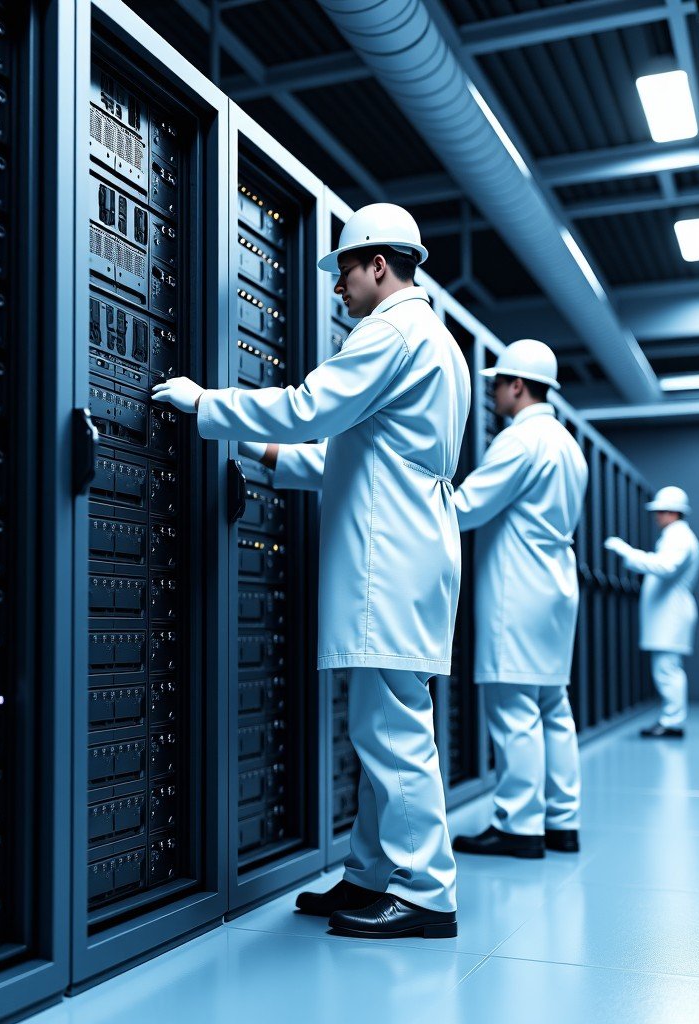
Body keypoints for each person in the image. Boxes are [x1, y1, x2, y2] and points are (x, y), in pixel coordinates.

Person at [152, 203, 470, 939]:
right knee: (379, 725)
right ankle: (371, 875)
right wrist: (261, 456)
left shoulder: (390, 328)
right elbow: (350, 458)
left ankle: (427, 892)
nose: (338, 290)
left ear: (378, 265)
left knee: (394, 731)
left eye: (345, 273)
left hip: (391, 554)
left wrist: (208, 405)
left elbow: (308, 408)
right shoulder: (438, 342)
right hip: (413, 542)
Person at [448, 340, 588, 859]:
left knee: (513, 710)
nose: (492, 394)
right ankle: (563, 821)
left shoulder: (521, 441)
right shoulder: (567, 444)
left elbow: (468, 506)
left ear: (517, 385)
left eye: (496, 384)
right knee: (553, 706)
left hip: (519, 589)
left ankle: (519, 825)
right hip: (556, 588)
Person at [606, 486, 699, 739]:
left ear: (672, 512)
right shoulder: (676, 535)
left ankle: (672, 723)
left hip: (672, 614)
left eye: (659, 511)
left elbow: (666, 566)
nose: (656, 516)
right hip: (669, 613)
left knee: (667, 669)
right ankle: (671, 720)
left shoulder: (678, 536)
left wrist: (627, 552)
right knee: (667, 669)